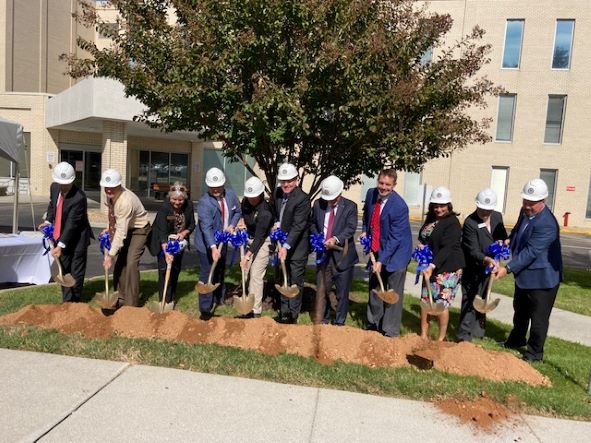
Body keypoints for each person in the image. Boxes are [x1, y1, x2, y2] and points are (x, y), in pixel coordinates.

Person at [495, 178, 563, 362]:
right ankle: (516, 340)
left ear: (543, 201)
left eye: (531, 203)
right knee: (520, 311)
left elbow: (531, 252)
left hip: (543, 279)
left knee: (538, 318)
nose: (527, 206)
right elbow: (518, 230)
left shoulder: (547, 224)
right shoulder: (524, 211)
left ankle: (534, 353)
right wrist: (509, 240)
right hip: (525, 275)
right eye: (525, 201)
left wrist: (507, 268)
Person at [361, 169, 412, 337]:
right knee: (375, 287)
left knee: (392, 293)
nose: (383, 187)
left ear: (394, 185)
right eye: (381, 183)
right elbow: (367, 215)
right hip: (377, 246)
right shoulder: (371, 194)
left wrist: (381, 260)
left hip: (397, 253)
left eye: (387, 185)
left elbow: (395, 239)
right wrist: (364, 231)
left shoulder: (399, 206)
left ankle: (390, 330)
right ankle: (373, 323)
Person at [457, 188, 508, 342]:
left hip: (490, 268)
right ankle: (463, 336)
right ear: (477, 205)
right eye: (482, 209)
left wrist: (503, 242)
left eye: (489, 209)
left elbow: (501, 235)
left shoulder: (497, 216)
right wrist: (487, 259)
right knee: (470, 299)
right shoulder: (470, 222)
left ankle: (478, 333)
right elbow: (472, 250)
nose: (485, 212)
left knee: (484, 298)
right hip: (473, 267)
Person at [39, 162, 92, 302]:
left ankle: (75, 301)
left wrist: (60, 245)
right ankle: (67, 301)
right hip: (61, 233)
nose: (62, 187)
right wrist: (48, 222)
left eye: (66, 184)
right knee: (63, 266)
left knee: (76, 269)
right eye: (60, 183)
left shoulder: (79, 198)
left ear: (73, 181)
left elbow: (72, 225)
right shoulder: (54, 187)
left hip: (78, 237)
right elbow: (52, 205)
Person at [310, 175, 358, 326]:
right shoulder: (318, 204)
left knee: (342, 293)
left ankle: (339, 322)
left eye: (333, 198)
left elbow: (350, 228)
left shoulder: (350, 207)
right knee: (322, 289)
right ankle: (322, 320)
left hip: (342, 256)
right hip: (323, 256)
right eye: (328, 198)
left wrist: (336, 239)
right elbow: (312, 223)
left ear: (340, 193)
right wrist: (317, 237)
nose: (330, 201)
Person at [418, 186, 465, 341]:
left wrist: (432, 266)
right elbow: (424, 236)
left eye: (442, 206)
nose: (438, 209)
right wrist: (422, 246)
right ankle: (424, 335)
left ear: (448, 205)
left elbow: (448, 248)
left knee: (440, 303)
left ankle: (440, 338)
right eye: (436, 206)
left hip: (448, 268)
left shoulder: (452, 223)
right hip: (431, 265)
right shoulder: (431, 219)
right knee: (426, 300)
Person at [100, 168, 151, 308]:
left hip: (140, 230)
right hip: (126, 227)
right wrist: (108, 228)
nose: (109, 190)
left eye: (112, 187)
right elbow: (112, 215)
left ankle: (132, 304)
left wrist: (110, 255)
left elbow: (121, 231)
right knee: (120, 263)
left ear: (119, 185)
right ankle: (120, 298)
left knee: (131, 263)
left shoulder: (125, 201)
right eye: (106, 187)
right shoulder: (109, 196)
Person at [195, 167, 241, 320]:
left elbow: (237, 212)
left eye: (218, 186)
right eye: (212, 187)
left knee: (220, 270)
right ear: (208, 186)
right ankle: (205, 307)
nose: (215, 189)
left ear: (223, 184)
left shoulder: (231, 195)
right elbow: (206, 228)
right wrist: (213, 248)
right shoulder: (204, 203)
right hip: (207, 244)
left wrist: (232, 225)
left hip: (224, 239)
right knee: (207, 272)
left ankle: (219, 298)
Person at [273, 162, 310, 324]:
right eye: (283, 181)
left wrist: (287, 246)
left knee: (295, 280)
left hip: (297, 247)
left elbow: (298, 225)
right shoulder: (277, 194)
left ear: (296, 180)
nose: (286, 184)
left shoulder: (302, 199)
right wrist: (275, 223)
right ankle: (284, 311)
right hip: (281, 244)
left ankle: (293, 314)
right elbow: (274, 212)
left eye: (290, 181)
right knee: (283, 278)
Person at [149, 182, 195, 306]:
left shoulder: (189, 206)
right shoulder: (165, 208)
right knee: (164, 270)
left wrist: (184, 233)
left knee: (175, 269)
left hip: (178, 242)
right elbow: (162, 233)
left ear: (184, 199)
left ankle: (171, 298)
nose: (177, 202)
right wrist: (166, 252)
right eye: (174, 199)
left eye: (180, 200)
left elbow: (192, 225)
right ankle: (163, 300)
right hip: (162, 241)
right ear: (169, 198)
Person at [239, 176, 274, 318]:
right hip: (250, 238)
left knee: (255, 274)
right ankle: (247, 304)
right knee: (245, 272)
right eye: (249, 196)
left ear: (261, 194)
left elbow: (260, 237)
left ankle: (255, 311)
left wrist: (247, 256)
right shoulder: (245, 203)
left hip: (264, 240)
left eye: (255, 196)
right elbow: (245, 216)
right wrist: (242, 222)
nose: (251, 199)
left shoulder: (265, 211)